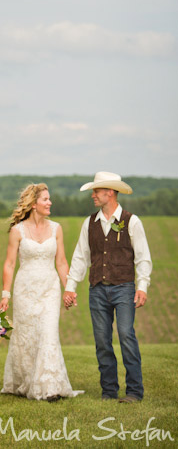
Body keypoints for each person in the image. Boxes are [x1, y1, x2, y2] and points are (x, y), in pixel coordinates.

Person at [63, 172, 152, 403]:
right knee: (102, 341)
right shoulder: (89, 223)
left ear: (110, 193)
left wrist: (142, 286)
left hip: (124, 288)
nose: (93, 195)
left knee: (125, 335)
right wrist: (71, 287)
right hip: (97, 290)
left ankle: (134, 391)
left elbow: (143, 258)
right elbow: (80, 257)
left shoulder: (132, 221)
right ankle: (109, 391)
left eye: (96, 191)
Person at [0, 183, 83, 400]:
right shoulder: (17, 231)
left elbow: (62, 262)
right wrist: (5, 295)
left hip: (50, 289)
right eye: (45, 199)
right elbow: (9, 264)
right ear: (33, 204)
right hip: (25, 290)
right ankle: (25, 381)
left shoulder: (57, 228)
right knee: (27, 336)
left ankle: (49, 387)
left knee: (48, 333)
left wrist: (69, 289)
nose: (50, 203)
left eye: (49, 199)